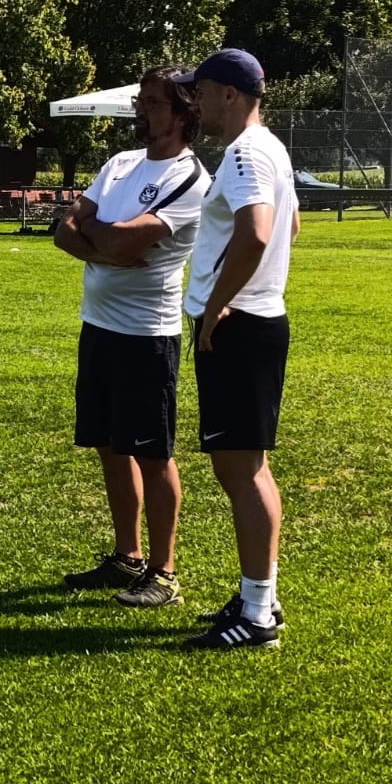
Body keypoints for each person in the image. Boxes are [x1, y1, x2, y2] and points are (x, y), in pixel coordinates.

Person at [55, 66, 210, 608]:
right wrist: (108, 247)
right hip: (98, 327)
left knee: (152, 454)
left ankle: (164, 574)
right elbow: (64, 231)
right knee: (109, 445)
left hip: (147, 337)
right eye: (139, 100)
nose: (140, 110)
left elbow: (117, 239)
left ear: (184, 113)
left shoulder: (190, 179)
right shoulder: (120, 164)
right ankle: (128, 555)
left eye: (152, 102)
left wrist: (100, 237)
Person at [176, 50, 299, 650]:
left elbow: (256, 233)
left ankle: (256, 617)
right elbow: (291, 228)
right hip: (257, 320)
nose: (194, 103)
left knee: (240, 470)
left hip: (240, 326)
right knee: (250, 467)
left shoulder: (247, 152)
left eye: (200, 91)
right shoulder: (270, 147)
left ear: (229, 94)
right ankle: (259, 597)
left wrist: (218, 305)